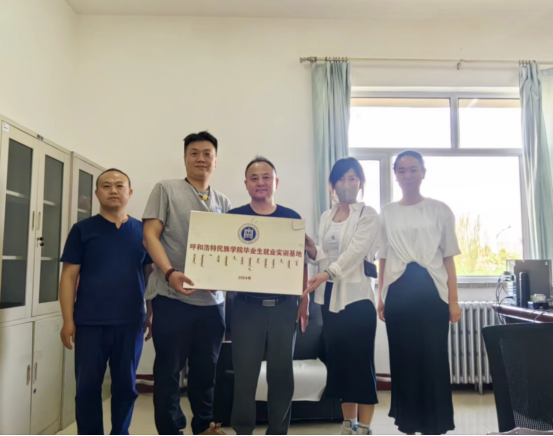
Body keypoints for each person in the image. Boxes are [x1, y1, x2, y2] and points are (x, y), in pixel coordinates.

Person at [143, 131, 231, 436]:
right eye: (194, 153)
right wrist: (170, 273)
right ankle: (171, 430)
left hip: (212, 304)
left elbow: (228, 251)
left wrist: (221, 279)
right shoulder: (166, 190)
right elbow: (150, 235)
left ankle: (205, 426)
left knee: (206, 373)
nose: (201, 159)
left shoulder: (223, 201)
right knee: (168, 372)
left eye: (207, 154)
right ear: (184, 158)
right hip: (173, 297)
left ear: (216, 161)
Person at [59, 168, 153, 436]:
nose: (113, 190)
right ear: (97, 193)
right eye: (106, 186)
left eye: (119, 185)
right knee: (87, 388)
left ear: (129, 192)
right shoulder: (82, 230)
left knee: (126, 387)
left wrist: (150, 312)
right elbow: (68, 277)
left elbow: (150, 275)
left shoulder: (143, 232)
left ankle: (120, 432)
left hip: (130, 322)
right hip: (90, 322)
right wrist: (68, 320)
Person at [377, 151, 462, 436]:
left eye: (413, 169)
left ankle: (434, 425)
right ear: (395, 175)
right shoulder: (387, 212)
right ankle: (408, 424)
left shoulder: (439, 209)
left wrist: (453, 301)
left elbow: (449, 258)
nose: (408, 175)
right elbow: (383, 257)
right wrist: (381, 296)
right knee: (403, 359)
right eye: (401, 171)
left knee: (433, 358)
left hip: (432, 292)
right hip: (398, 294)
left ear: (423, 172)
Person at [227, 157, 310, 436]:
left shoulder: (291, 218)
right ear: (246, 184)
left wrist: (304, 301)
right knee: (244, 375)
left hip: (284, 307)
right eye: (254, 177)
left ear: (276, 182)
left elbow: (301, 262)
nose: (260, 182)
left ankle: (278, 431)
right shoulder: (233, 218)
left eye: (266, 177)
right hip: (245, 307)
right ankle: (243, 430)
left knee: (282, 376)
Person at [303, 158, 380, 436]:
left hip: (357, 300)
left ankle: (365, 428)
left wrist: (328, 272)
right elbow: (324, 257)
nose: (346, 184)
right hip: (329, 300)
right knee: (341, 364)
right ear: (332, 184)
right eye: (340, 179)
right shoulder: (327, 216)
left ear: (360, 182)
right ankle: (348, 425)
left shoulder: (368, 215)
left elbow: (355, 252)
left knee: (360, 365)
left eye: (352, 178)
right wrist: (312, 250)